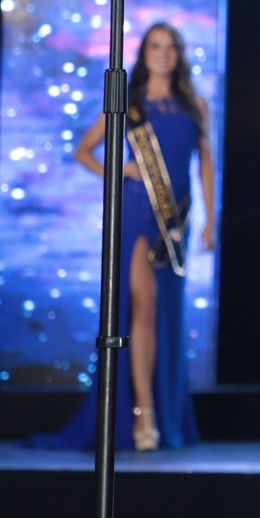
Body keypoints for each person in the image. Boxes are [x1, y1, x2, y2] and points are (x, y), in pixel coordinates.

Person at [39, 22, 214, 452]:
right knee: (143, 307)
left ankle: (158, 410)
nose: (164, 54)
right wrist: (120, 171)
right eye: (156, 46)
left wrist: (211, 219)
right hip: (136, 211)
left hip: (176, 221)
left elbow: (206, 164)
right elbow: (83, 151)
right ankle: (143, 413)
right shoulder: (129, 104)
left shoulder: (195, 105)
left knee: (162, 314)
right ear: (144, 52)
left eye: (171, 46)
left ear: (179, 54)